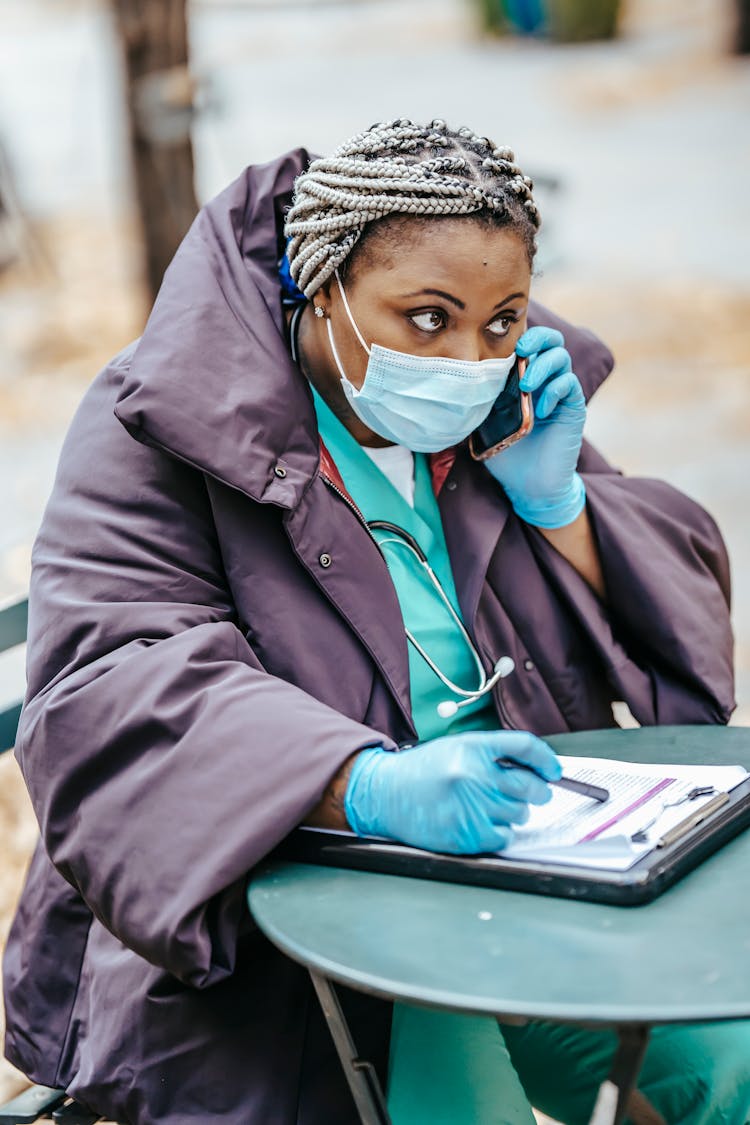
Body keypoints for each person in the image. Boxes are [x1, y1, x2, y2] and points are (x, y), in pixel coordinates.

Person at [3, 118, 748, 1124]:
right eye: (426, 319)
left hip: (525, 865)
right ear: (319, 288)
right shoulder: (160, 422)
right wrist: (366, 785)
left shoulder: (497, 418)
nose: (468, 358)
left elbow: (682, 614)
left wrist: (561, 504)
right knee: (457, 1100)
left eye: (501, 322)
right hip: (286, 909)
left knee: (725, 1066)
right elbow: (112, 684)